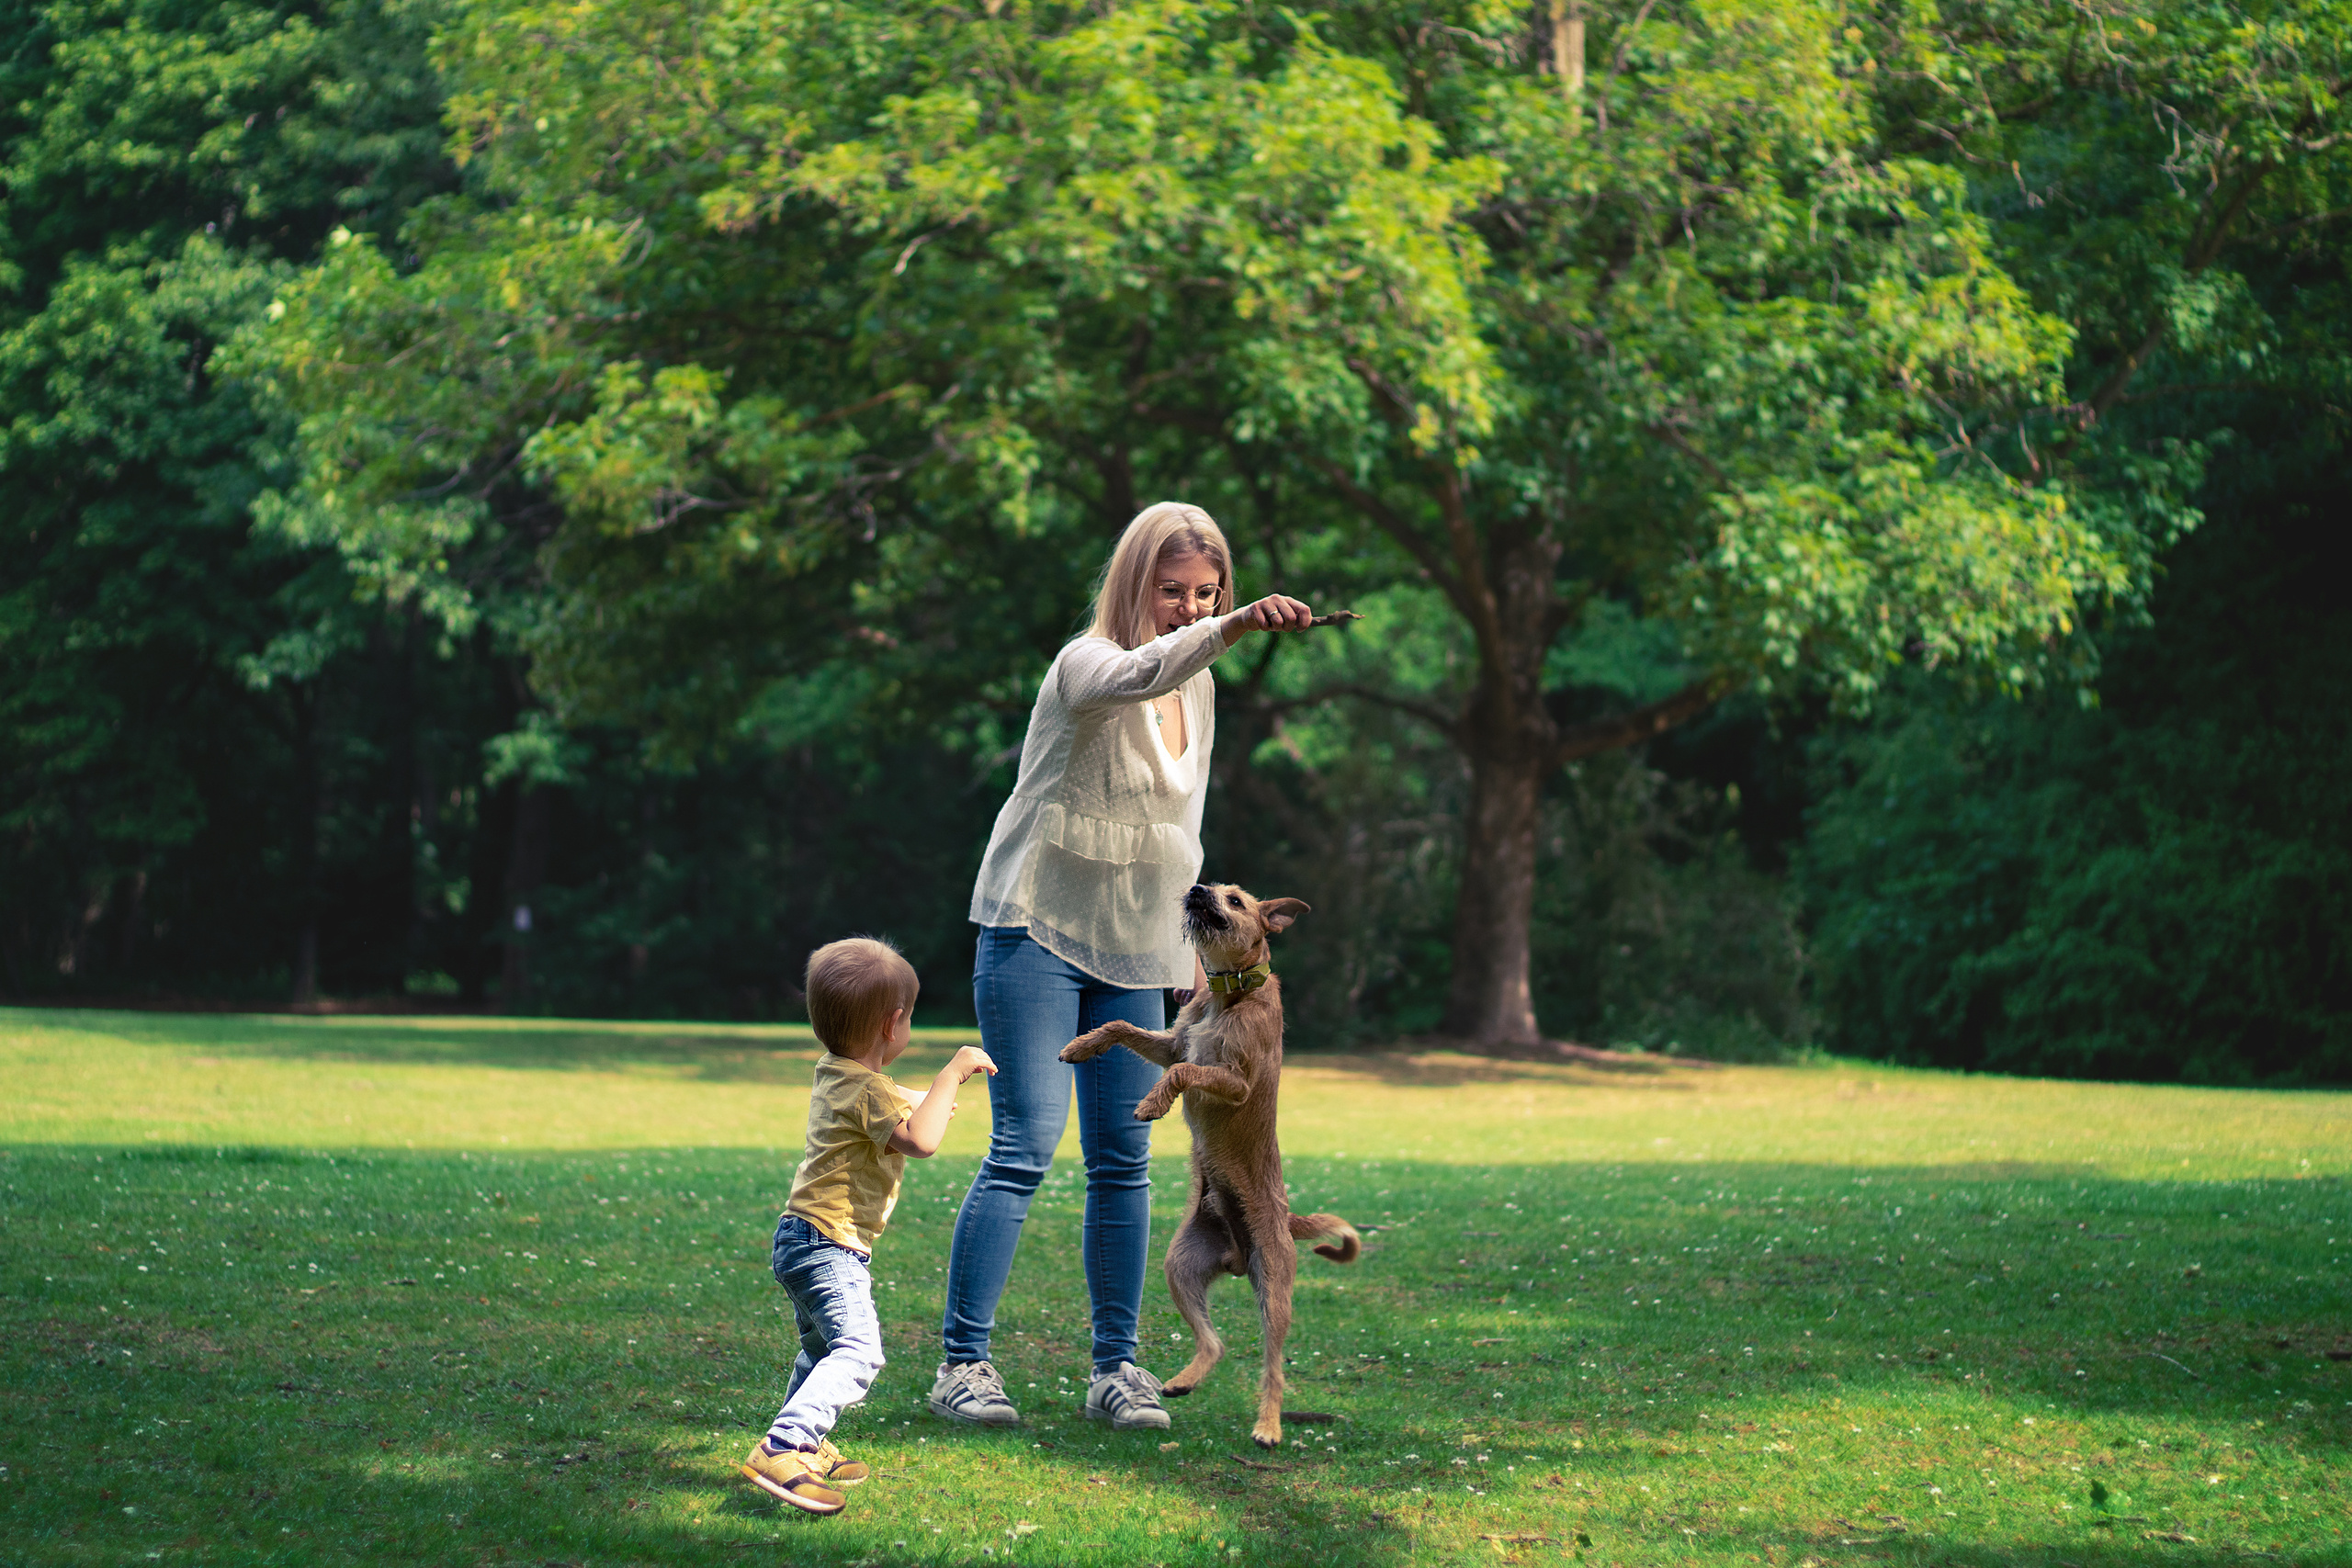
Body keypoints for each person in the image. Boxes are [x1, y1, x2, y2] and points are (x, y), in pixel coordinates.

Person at [931, 501, 1315, 1431]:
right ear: (1133, 581)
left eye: (1204, 593)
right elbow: (1142, 671)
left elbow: (1179, 833)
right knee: (1023, 1148)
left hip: (1136, 945)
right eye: (1171, 590)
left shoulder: (1204, 690)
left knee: (1122, 1164)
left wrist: (1185, 960)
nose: (1187, 608)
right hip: (1034, 928)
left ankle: (1118, 1370)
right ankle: (962, 1366)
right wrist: (1229, 626)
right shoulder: (1087, 663)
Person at [741, 936, 997, 1516]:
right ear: (894, 1023)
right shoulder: (867, 1090)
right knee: (858, 1350)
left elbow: (893, 1101)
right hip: (830, 1244)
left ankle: (812, 1443)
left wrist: (929, 1095)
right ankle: (785, 1446)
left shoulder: (838, 1073)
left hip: (804, 1239)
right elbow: (922, 1140)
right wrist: (953, 1073)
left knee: (819, 1352)